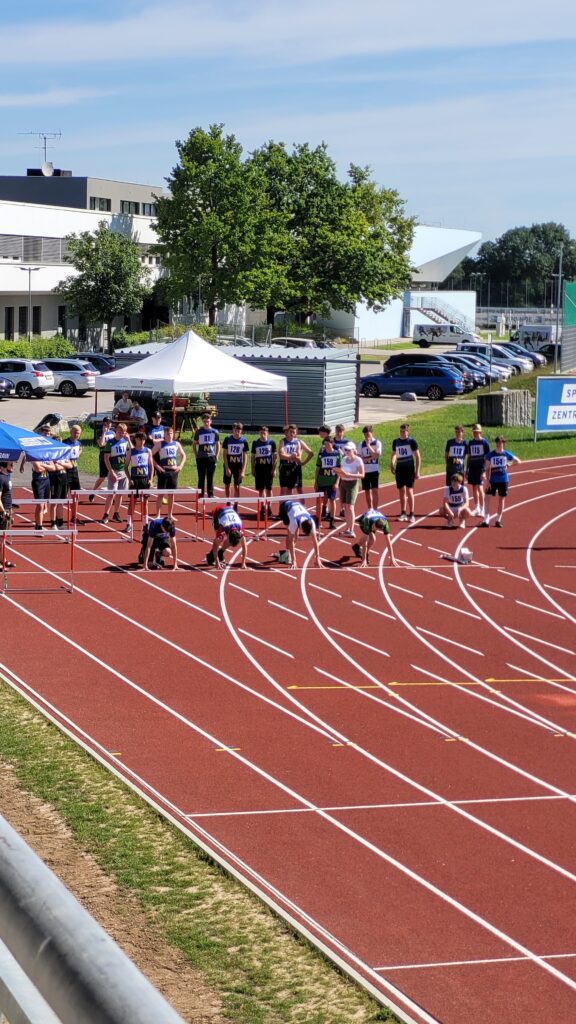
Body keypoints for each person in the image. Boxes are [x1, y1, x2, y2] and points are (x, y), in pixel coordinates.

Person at [481, 436, 521, 528]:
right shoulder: (490, 455)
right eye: (497, 443)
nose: (499, 444)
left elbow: (518, 461)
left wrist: (509, 464)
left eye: (500, 443)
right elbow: (487, 468)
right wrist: (487, 480)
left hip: (503, 480)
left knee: (501, 500)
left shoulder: (506, 454)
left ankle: (498, 520)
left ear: (503, 443)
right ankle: (486, 519)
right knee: (487, 499)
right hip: (492, 480)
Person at [152, 426, 187, 517]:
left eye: (171, 433)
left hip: (173, 471)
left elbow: (183, 455)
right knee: (160, 494)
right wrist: (157, 466)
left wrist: (180, 466)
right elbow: (150, 455)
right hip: (163, 471)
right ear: (164, 434)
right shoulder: (160, 444)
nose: (170, 435)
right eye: (168, 433)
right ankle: (158, 515)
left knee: (171, 495)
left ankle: (170, 515)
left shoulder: (176, 444)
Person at [124, 431, 154, 534]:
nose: (141, 442)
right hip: (135, 479)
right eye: (139, 439)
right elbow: (125, 467)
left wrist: (151, 480)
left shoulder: (148, 451)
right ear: (135, 440)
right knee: (133, 502)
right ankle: (129, 523)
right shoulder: (131, 452)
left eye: (143, 440)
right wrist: (129, 478)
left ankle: (145, 524)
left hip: (144, 479)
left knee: (145, 502)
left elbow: (151, 466)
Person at [278, 498, 322, 568]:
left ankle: (285, 554)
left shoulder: (311, 522)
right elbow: (291, 540)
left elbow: (315, 541)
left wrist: (317, 558)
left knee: (296, 536)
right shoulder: (294, 522)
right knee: (291, 535)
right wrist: (294, 561)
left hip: (296, 509)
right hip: (285, 508)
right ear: (301, 528)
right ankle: (286, 554)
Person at [390, 423, 421, 522]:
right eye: (401, 431)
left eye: (404, 431)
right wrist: (392, 464)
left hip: (409, 469)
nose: (402, 433)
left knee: (409, 490)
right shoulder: (396, 441)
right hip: (400, 469)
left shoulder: (411, 442)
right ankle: (403, 512)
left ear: (408, 432)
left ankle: (411, 513)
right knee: (401, 491)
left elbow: (417, 456)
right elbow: (394, 454)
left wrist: (417, 471)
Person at [102, 423, 130, 524]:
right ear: (116, 432)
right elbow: (106, 458)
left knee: (120, 494)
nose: (122, 434)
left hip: (124, 471)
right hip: (114, 470)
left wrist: (129, 440)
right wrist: (111, 471)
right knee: (111, 493)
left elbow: (131, 452)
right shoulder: (110, 443)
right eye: (120, 432)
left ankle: (116, 513)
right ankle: (106, 514)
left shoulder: (126, 442)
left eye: (123, 432)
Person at [335, 442, 364, 537]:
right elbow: (341, 472)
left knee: (350, 507)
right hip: (343, 483)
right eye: (346, 450)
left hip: (352, 484)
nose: (347, 451)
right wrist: (338, 473)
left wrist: (350, 475)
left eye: (348, 450)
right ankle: (347, 528)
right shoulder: (343, 459)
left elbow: (362, 475)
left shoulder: (358, 460)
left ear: (354, 450)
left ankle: (351, 530)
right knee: (345, 507)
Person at [207, 504, 247, 569]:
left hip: (229, 512)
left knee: (223, 539)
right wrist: (217, 564)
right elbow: (215, 545)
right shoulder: (223, 526)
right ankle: (210, 556)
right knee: (219, 540)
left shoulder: (240, 527)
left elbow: (244, 546)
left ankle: (220, 552)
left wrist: (243, 563)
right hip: (217, 512)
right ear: (228, 537)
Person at [314, 435, 340, 529]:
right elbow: (317, 469)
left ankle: (332, 521)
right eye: (324, 444)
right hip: (321, 481)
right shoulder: (321, 454)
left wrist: (336, 482)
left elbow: (339, 470)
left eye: (327, 443)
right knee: (319, 501)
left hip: (331, 482)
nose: (326, 445)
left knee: (332, 500)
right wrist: (316, 482)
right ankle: (318, 520)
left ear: (332, 443)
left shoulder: (336, 454)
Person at [278, 424, 313, 495]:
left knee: (295, 489)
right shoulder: (283, 441)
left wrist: (303, 462)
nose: (292, 433)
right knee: (283, 489)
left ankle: (300, 505)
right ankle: (282, 506)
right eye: (290, 431)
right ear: (287, 432)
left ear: (296, 433)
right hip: (284, 467)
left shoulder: (298, 442)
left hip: (295, 467)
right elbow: (281, 455)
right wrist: (292, 457)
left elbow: (311, 453)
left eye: (294, 432)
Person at [251, 425, 277, 516]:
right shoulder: (255, 443)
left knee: (269, 489)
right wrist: (252, 468)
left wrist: (274, 469)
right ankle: (262, 507)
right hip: (259, 468)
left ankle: (269, 507)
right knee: (261, 489)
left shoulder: (272, 443)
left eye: (264, 433)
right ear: (259, 433)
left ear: (267, 433)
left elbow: (275, 458)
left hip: (268, 468)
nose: (263, 435)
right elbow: (253, 456)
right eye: (261, 433)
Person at [193, 412, 220, 499]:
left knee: (210, 477)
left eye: (207, 421)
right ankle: (200, 495)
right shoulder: (199, 432)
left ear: (210, 421)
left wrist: (217, 455)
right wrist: (196, 454)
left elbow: (218, 444)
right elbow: (194, 444)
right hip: (201, 457)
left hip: (211, 457)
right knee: (201, 477)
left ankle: (210, 494)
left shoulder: (215, 432)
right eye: (204, 421)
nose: (206, 423)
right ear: (202, 421)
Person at [465, 423, 490, 517]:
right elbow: (469, 457)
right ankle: (476, 507)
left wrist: (484, 470)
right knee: (474, 488)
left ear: (480, 432)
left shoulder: (484, 443)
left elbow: (487, 458)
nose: (476, 433)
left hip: (480, 468)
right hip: (472, 468)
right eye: (474, 432)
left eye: (477, 432)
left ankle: (483, 509)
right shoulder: (470, 443)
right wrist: (466, 469)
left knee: (480, 488)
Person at [222, 422, 249, 507]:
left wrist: (243, 470)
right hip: (229, 464)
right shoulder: (227, 439)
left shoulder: (243, 441)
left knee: (237, 485)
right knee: (227, 484)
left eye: (239, 430)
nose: (237, 432)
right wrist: (227, 468)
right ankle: (228, 501)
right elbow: (224, 454)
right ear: (233, 430)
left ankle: (236, 504)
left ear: (241, 431)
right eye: (235, 430)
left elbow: (245, 456)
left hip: (238, 466)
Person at [357, 425, 382, 511]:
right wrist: (371, 458)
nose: (367, 436)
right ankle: (370, 509)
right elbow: (360, 458)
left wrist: (368, 445)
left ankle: (375, 509)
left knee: (375, 490)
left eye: (368, 434)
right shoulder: (361, 444)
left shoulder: (377, 443)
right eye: (365, 435)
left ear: (372, 433)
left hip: (374, 470)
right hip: (365, 471)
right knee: (367, 491)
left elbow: (376, 455)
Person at [91, 416, 115, 500]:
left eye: (110, 423)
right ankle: (93, 492)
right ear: (105, 423)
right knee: (102, 477)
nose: (110, 424)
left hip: (112, 457)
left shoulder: (113, 432)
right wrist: (104, 433)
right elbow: (101, 444)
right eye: (108, 423)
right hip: (103, 457)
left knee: (112, 476)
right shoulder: (99, 432)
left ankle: (112, 496)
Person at [0, 461, 16, 569]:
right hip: (3, 513)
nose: (12, 466)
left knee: (3, 538)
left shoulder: (7, 476)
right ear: (4, 466)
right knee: (1, 539)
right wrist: (3, 512)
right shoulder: (1, 478)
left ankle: (3, 559)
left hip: (8, 510)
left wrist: (11, 509)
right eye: (11, 464)